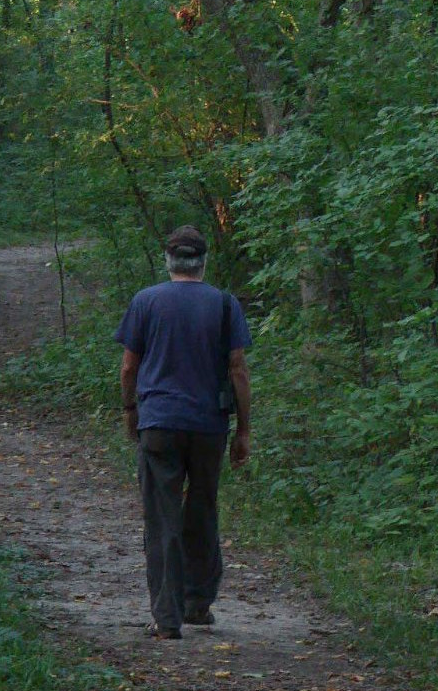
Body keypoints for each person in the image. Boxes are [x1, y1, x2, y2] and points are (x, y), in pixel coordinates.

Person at [114, 225, 252, 640]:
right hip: (209, 426)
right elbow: (238, 370)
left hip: (158, 423)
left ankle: (167, 618)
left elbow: (127, 366)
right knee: (203, 510)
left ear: (168, 261)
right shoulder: (226, 305)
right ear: (203, 262)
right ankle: (197, 603)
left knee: (162, 520)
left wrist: (128, 408)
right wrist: (244, 430)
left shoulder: (146, 301)